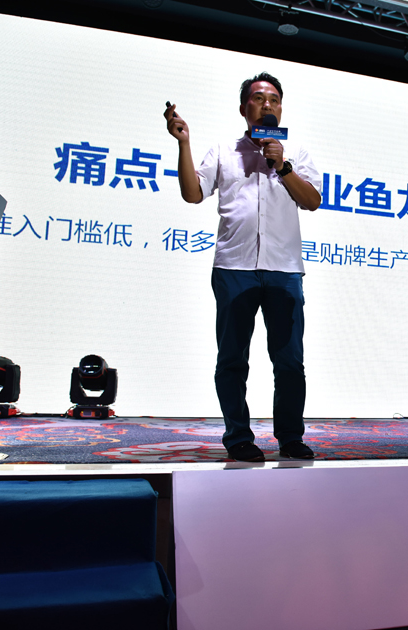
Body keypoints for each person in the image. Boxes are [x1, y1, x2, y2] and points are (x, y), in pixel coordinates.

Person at [164, 72, 322, 462]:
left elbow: (312, 201)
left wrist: (283, 166)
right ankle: (238, 438)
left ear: (281, 108)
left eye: (274, 99)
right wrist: (184, 143)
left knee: (290, 362)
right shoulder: (223, 150)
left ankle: (290, 438)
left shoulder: (295, 152)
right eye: (258, 98)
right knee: (232, 360)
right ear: (243, 108)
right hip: (234, 267)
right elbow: (192, 193)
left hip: (284, 269)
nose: (267, 104)